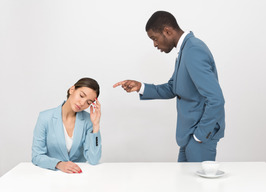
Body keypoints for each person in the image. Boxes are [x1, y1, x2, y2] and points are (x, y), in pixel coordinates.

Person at [113, 11, 225, 162]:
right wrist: (140, 87)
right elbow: (173, 88)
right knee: (184, 184)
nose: (154, 44)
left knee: (196, 185)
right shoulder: (185, 50)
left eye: (154, 38)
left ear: (167, 31)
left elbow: (216, 99)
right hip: (188, 135)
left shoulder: (193, 50)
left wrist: (200, 135)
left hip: (198, 138)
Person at [32, 77, 102, 173]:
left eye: (88, 102)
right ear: (72, 90)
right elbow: (36, 156)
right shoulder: (45, 117)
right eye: (81, 96)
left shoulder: (88, 120)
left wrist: (96, 125)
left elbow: (93, 159)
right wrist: (59, 164)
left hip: (78, 176)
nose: (82, 103)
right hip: (50, 175)